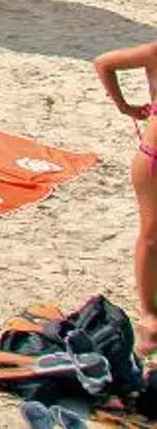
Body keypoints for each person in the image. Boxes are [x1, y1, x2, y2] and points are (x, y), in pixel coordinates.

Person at [93, 38, 157, 352]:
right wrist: (125, 107)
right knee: (152, 235)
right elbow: (105, 62)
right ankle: (149, 314)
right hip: (153, 161)